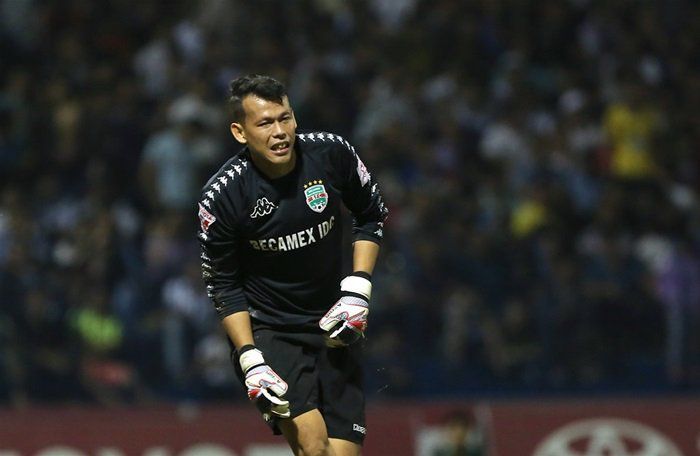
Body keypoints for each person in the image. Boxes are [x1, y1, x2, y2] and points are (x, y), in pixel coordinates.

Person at [197, 74, 388, 456]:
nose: (280, 132)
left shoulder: (332, 153)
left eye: (285, 118)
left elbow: (370, 214)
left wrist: (359, 289)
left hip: (336, 322)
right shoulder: (223, 197)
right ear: (240, 132)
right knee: (314, 447)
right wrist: (250, 359)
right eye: (265, 123)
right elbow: (223, 285)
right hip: (272, 330)